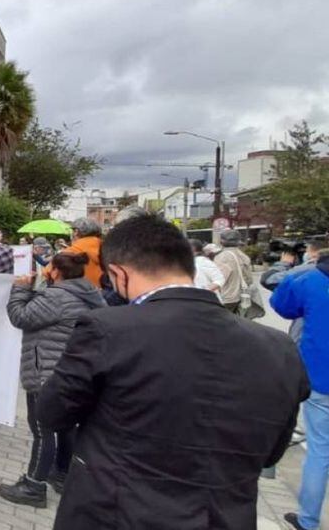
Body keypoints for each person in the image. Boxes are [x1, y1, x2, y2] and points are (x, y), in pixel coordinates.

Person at [38, 215, 309, 529]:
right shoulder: (279, 347)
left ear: (117, 273)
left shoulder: (108, 329)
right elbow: (271, 453)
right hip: (223, 517)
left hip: (114, 512)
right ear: (190, 268)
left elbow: (52, 412)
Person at [0, 251, 105, 508]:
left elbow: (21, 316)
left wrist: (20, 290)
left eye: (49, 269)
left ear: (57, 271)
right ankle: (61, 474)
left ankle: (33, 485)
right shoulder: (89, 294)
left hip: (46, 371)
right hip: (73, 371)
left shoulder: (57, 297)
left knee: (42, 429)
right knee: (66, 426)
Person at [271, 249, 329, 530]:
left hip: (321, 376)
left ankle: (308, 521)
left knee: (320, 451)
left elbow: (281, 304)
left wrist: (289, 269)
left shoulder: (311, 280)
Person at [263, 238, 326, 343]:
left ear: (315, 253)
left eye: (307, 251)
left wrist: (284, 263)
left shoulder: (310, 272)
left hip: (310, 343)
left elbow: (269, 279)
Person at [51, 218, 103, 287]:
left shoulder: (68, 253)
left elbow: (48, 273)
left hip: (73, 294)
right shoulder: (108, 250)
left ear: (76, 231)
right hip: (102, 295)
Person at [214, 228, 254, 315]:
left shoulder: (222, 257)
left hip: (226, 297)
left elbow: (220, 279)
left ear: (222, 241)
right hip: (241, 296)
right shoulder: (243, 256)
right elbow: (249, 279)